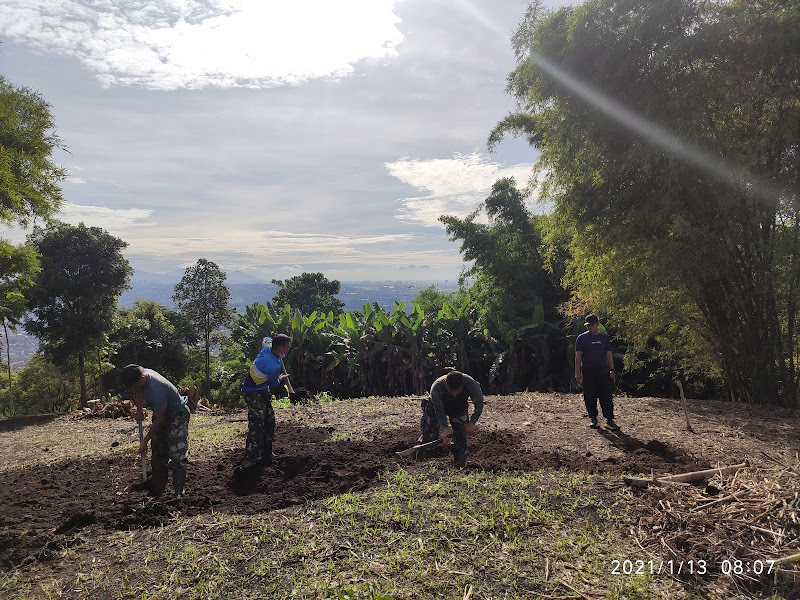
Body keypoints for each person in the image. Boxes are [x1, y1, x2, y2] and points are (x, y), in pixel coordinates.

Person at [121, 364, 190, 498]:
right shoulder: (140, 376)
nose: (131, 389)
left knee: (177, 454)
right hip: (162, 413)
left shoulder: (156, 390)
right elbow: (138, 393)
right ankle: (157, 491)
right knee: (158, 453)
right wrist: (139, 411)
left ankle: (178, 493)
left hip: (177, 415)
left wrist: (144, 441)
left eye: (132, 385)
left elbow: (159, 420)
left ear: (142, 379)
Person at [237, 334, 291, 475]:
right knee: (257, 424)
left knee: (270, 421)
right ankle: (249, 459)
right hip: (252, 392)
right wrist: (281, 378)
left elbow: (265, 338)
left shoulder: (267, 347)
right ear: (281, 347)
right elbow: (274, 384)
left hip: (262, 390)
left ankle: (267, 454)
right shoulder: (272, 366)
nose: (289, 348)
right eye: (287, 346)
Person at [420, 370, 484, 467]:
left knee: (460, 436)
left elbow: (479, 405)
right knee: (430, 432)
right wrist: (445, 429)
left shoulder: (472, 385)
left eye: (457, 391)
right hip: (436, 407)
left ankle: (459, 463)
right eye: (451, 391)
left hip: (459, 407)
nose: (454, 394)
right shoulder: (436, 388)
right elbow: (439, 411)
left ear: (462, 386)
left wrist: (472, 423)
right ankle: (422, 458)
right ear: (446, 385)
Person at [574, 314, 618, 430]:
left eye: (592, 325)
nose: (590, 327)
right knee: (589, 396)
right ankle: (594, 419)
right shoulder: (581, 338)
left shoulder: (604, 338)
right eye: (588, 325)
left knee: (606, 396)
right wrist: (577, 372)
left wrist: (612, 370)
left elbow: (608, 354)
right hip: (588, 372)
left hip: (603, 371)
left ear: (597, 324)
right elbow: (578, 356)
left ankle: (609, 420)